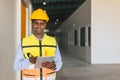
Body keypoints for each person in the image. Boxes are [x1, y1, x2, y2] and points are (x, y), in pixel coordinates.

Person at [14, 8, 62, 80]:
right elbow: (16, 66)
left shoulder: (53, 42)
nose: (39, 26)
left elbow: (59, 63)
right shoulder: (23, 42)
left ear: (45, 24)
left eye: (42, 23)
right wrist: (29, 61)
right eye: (36, 23)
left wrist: (54, 66)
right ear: (32, 24)